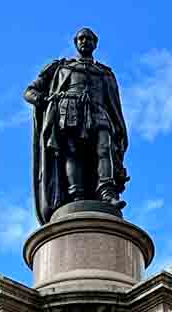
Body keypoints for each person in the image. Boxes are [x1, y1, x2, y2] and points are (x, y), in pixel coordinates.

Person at [24, 27, 129, 223]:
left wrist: (120, 132)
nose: (84, 41)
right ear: (75, 42)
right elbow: (30, 92)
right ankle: (76, 194)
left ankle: (107, 192)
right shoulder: (60, 68)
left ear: (95, 43)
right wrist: (46, 99)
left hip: (99, 112)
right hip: (69, 112)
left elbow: (114, 105)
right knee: (74, 153)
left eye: (88, 39)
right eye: (81, 38)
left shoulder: (104, 73)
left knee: (104, 148)